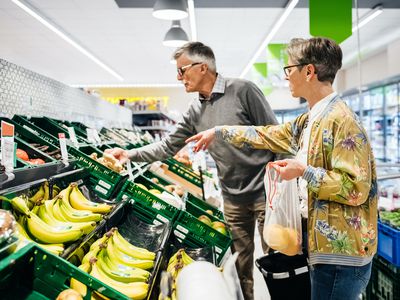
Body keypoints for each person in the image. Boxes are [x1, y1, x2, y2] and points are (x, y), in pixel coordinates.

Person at [186, 37, 377, 300]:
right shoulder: (311, 118)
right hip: (324, 249)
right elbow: (269, 134)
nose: (286, 77)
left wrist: (304, 172)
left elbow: (356, 188)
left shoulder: (341, 120)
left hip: (341, 257)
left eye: (289, 69)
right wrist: (219, 132)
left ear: (309, 71)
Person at [106, 42, 278, 300]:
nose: (178, 77)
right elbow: (166, 146)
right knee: (241, 265)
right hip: (232, 197)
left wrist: (284, 184)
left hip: (265, 190)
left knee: (274, 259)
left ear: (202, 67)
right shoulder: (194, 111)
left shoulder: (244, 91)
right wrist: (129, 154)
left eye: (182, 70)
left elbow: (275, 135)